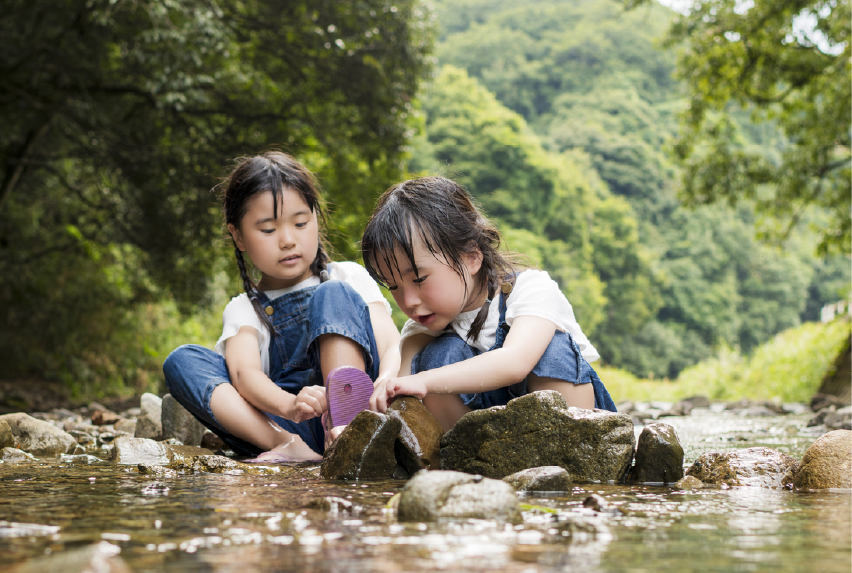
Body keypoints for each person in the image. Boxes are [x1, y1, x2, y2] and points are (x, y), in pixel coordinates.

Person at [164, 152, 400, 462]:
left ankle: (347, 430)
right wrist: (290, 406)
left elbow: (391, 342)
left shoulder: (348, 276)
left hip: (363, 411)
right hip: (290, 423)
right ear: (238, 236)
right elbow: (245, 374)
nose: (288, 240)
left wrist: (387, 378)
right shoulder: (244, 309)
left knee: (332, 293)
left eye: (300, 223)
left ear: (316, 218)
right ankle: (288, 447)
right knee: (181, 361)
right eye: (268, 230)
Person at [361, 176, 616, 432]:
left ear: (472, 257)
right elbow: (399, 366)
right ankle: (458, 463)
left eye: (419, 279)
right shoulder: (426, 326)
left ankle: (573, 452)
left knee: (551, 347)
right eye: (393, 286)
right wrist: (384, 384)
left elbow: (515, 362)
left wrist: (425, 381)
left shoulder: (531, 289)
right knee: (437, 355)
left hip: (568, 434)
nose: (408, 301)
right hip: (485, 447)